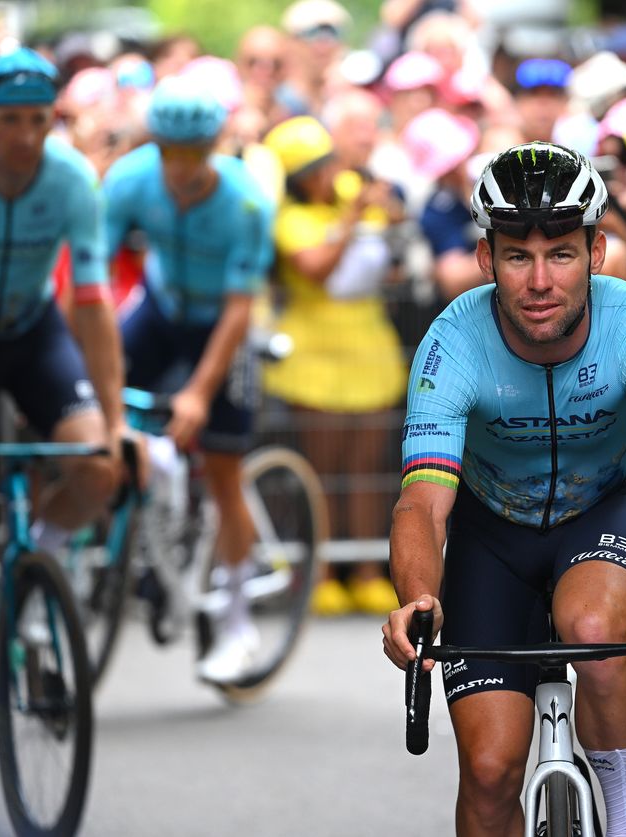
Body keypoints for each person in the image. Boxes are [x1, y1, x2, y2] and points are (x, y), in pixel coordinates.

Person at [381, 142, 626, 837]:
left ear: (596, 251)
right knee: (488, 771)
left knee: (593, 629)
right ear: (487, 261)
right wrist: (417, 597)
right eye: (517, 255)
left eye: (561, 253)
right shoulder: (452, 341)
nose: (540, 280)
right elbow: (421, 502)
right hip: (492, 531)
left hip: (606, 507)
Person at [102, 77, 276, 684]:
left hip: (224, 326)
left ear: (216, 144)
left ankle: (237, 622)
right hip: (162, 306)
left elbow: (238, 309)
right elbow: (93, 280)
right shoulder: (129, 178)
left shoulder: (247, 200)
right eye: (168, 151)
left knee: (224, 470)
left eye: (194, 152)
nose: (180, 167)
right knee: (94, 411)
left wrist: (200, 392)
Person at [0, 48, 123, 557]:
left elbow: (92, 302)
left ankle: (34, 568)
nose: (26, 136)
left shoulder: (72, 179)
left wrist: (114, 422)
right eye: (9, 120)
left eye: (38, 120)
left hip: (33, 333)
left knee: (97, 471)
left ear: (55, 120)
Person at [259, 115, 408, 618]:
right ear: (298, 177)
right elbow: (316, 268)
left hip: (369, 347)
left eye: (330, 161)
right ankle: (322, 572)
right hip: (314, 356)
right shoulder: (288, 218)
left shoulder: (350, 188)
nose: (331, 172)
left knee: (364, 470)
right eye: (318, 166)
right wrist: (352, 217)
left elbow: (393, 219)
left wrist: (383, 205)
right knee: (323, 472)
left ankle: (366, 571)